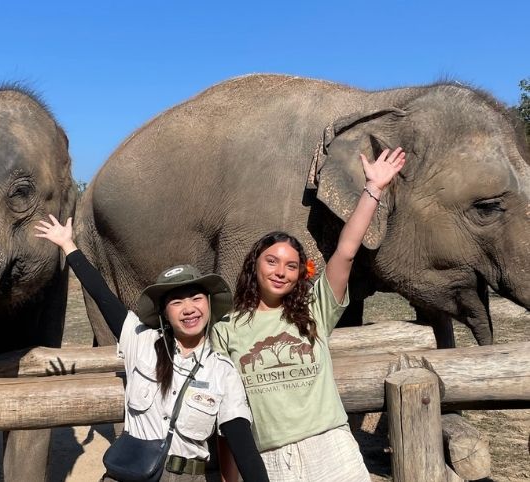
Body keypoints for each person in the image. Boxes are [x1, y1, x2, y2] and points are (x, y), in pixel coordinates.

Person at [211, 147, 406, 482]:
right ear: (254, 266)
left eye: (291, 265)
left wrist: (373, 190)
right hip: (267, 459)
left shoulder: (315, 308)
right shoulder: (226, 329)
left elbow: (346, 252)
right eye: (271, 261)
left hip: (330, 448)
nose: (280, 271)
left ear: (300, 273)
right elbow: (226, 416)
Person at [35, 216, 269, 482]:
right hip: (132, 474)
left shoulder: (222, 372)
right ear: (164, 313)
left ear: (209, 304)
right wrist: (68, 246)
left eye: (196, 298)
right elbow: (102, 294)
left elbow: (243, 447)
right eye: (177, 302)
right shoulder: (141, 341)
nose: (189, 308)